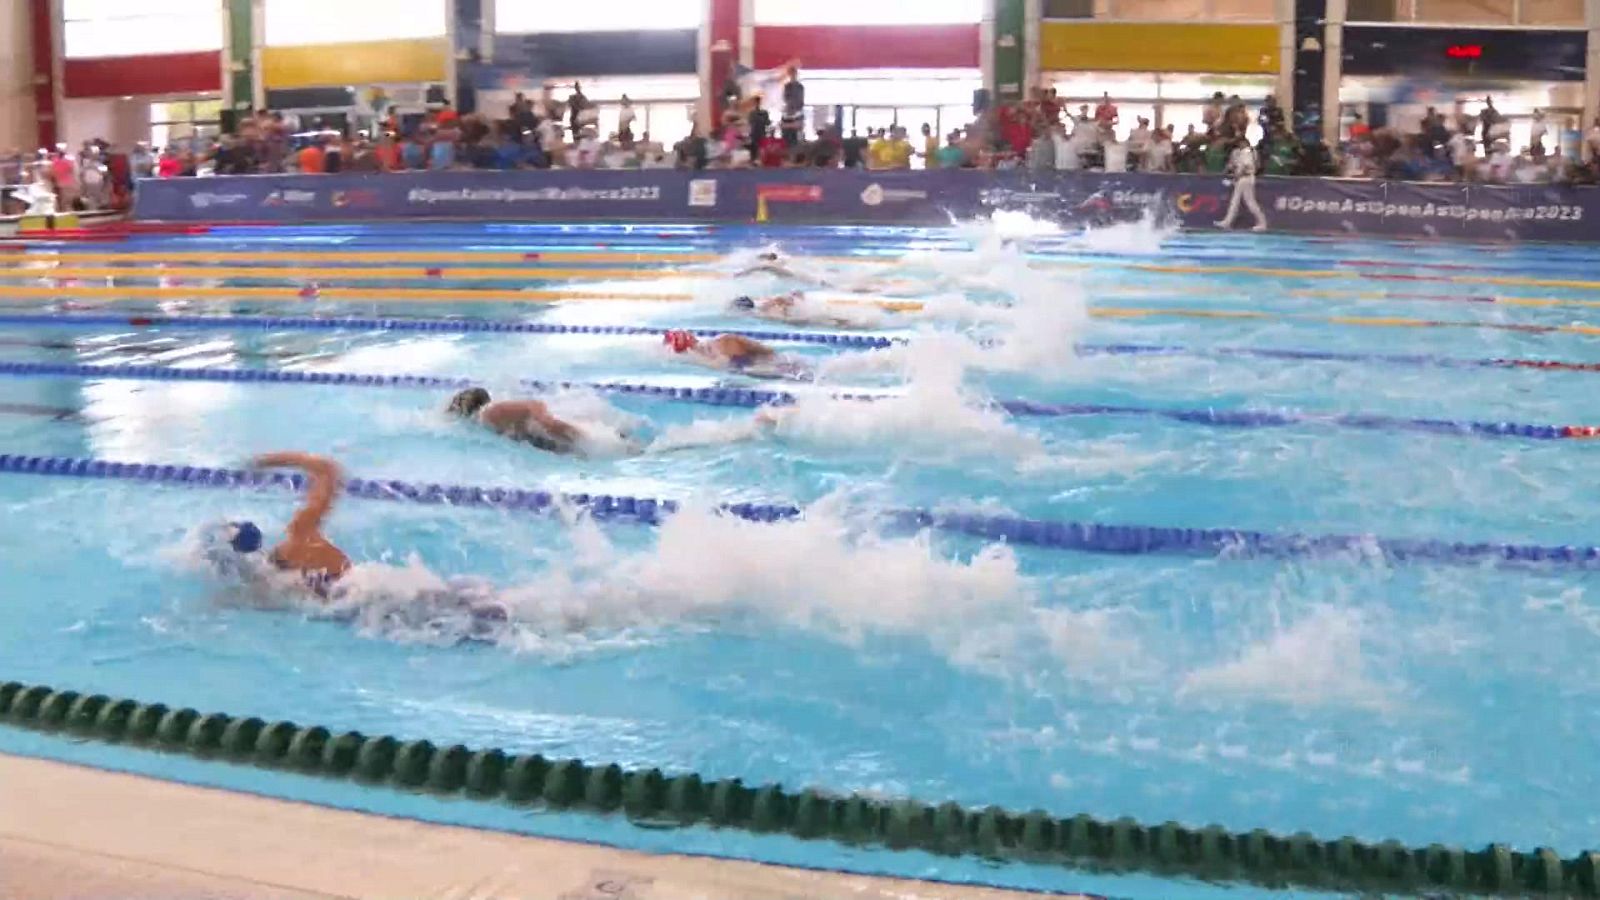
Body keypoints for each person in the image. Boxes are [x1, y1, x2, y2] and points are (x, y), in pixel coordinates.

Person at [214, 452, 351, 596]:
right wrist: (265, 460)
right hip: (359, 586)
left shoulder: (267, 588)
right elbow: (327, 470)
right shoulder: (301, 534)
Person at [447, 388, 586, 454]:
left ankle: (590, 441)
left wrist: (547, 422)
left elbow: (534, 405)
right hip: (536, 435)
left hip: (541, 423)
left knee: (585, 442)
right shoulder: (487, 419)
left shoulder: (488, 412)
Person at [1215, 137, 1267, 232]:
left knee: (1249, 202)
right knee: (1236, 201)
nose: (1239, 145)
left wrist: (1236, 176)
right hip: (1243, 178)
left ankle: (1262, 223)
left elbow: (1246, 166)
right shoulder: (1246, 152)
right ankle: (1227, 222)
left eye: (1241, 143)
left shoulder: (1247, 152)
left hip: (1245, 178)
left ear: (1245, 143)